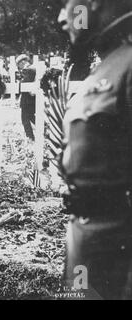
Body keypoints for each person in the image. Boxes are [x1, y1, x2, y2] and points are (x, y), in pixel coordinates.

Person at [58, 0, 132, 300]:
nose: (63, 18)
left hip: (118, 249)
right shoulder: (106, 66)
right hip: (86, 240)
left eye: (71, 6)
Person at [16, 54, 37, 142]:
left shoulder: (28, 69)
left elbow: (25, 83)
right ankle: (46, 131)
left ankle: (30, 138)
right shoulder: (32, 69)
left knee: (25, 119)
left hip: (28, 100)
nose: (19, 67)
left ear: (23, 62)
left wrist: (19, 82)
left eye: (19, 64)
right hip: (30, 99)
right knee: (31, 118)